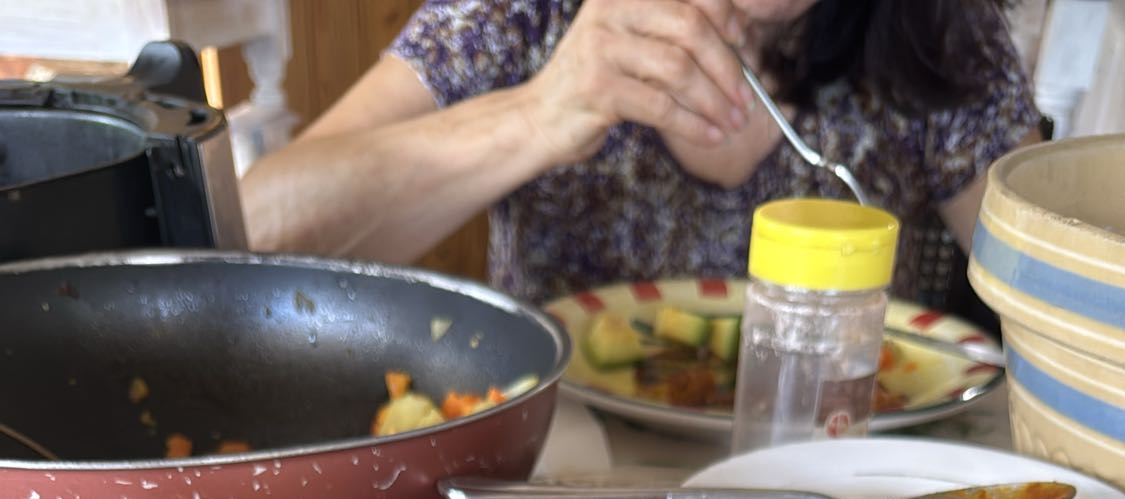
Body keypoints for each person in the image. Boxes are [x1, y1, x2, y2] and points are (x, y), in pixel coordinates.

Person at [241, 0, 1041, 304]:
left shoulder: (937, 33)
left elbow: (1060, 301)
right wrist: (538, 111)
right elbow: (252, 231)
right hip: (555, 489)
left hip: (829, 494)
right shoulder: (523, 13)